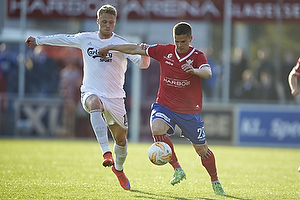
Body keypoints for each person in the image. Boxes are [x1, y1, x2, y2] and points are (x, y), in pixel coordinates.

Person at [25, 4, 150, 190]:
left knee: (122, 140)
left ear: (115, 23)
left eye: (111, 22)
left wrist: (145, 53)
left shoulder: (121, 44)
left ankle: (119, 169)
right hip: (91, 91)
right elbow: (63, 39)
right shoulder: (86, 39)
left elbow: (143, 64)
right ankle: (106, 153)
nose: (108, 25)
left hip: (115, 98)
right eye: (104, 21)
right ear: (98, 21)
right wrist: (38, 40)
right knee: (94, 103)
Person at [98, 22, 225, 195]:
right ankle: (177, 168)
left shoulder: (197, 55)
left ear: (191, 39)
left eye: (183, 42)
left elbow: (207, 72)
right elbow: (136, 49)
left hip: (189, 111)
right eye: (177, 41)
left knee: (202, 150)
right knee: (156, 128)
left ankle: (215, 179)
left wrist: (194, 71)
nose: (179, 45)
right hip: (164, 105)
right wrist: (111, 46)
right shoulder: (164, 50)